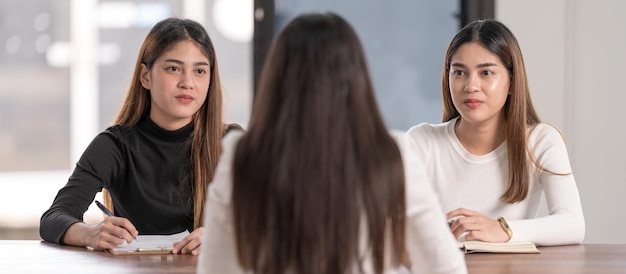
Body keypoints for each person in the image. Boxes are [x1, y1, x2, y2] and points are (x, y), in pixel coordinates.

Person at [198, 12, 466, 274]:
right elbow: (445, 266)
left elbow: (216, 268)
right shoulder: (391, 153)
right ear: (357, 80)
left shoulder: (242, 155)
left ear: (277, 79)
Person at [40, 17, 236, 255]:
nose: (188, 82)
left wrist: (225, 233)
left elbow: (273, 218)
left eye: (200, 71)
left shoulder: (231, 143)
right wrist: (90, 232)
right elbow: (54, 218)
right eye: (173, 68)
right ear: (145, 76)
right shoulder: (114, 145)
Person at [406, 19, 585, 246]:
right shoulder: (420, 141)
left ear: (511, 82)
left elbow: (573, 224)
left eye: (486, 73)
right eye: (459, 72)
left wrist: (503, 229)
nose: (471, 86)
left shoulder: (541, 141)